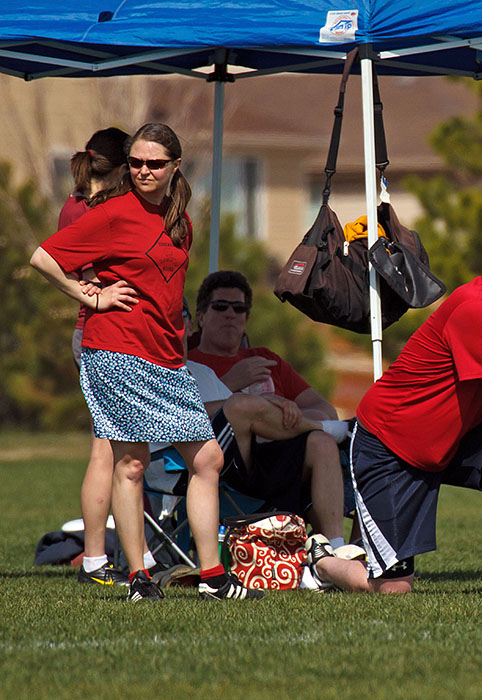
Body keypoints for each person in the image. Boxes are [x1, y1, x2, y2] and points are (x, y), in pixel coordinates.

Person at [30, 123, 262, 602]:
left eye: (154, 163)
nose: (143, 171)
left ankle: (211, 577)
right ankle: (139, 578)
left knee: (207, 458)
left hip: (166, 356)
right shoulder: (112, 213)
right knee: (131, 464)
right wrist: (90, 298)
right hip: (114, 349)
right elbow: (42, 257)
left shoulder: (181, 220)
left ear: (175, 166)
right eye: (135, 162)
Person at [305, 225, 482, 595]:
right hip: (390, 447)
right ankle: (322, 561)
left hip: (449, 442)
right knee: (394, 589)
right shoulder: (474, 308)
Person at [56, 126, 157, 587]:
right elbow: (54, 262)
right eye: (135, 165)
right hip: (101, 336)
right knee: (107, 451)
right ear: (121, 168)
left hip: (95, 336)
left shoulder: (73, 204)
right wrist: (94, 297)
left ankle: (108, 555)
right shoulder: (99, 209)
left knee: (112, 450)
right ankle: (96, 560)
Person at [188, 270, 348, 549]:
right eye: (220, 306)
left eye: (239, 309)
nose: (230, 314)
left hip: (280, 454)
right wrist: (232, 384)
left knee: (324, 442)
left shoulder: (265, 360)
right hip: (228, 461)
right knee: (243, 406)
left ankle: (334, 550)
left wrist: (290, 418)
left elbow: (325, 409)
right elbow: (185, 413)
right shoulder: (190, 364)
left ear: (247, 319)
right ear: (201, 316)